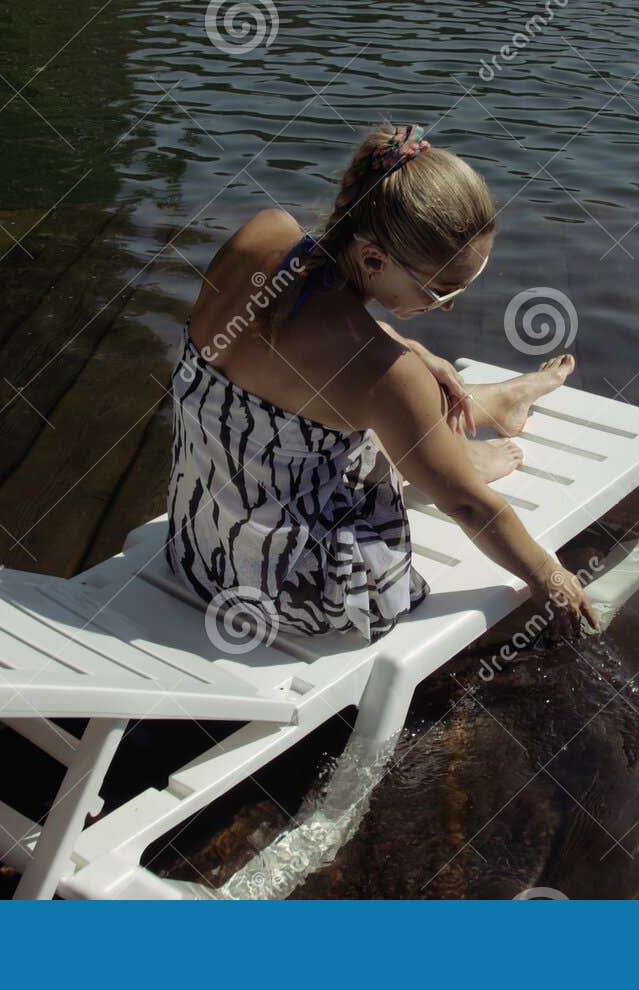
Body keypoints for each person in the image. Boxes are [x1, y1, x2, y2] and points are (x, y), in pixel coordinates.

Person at [165, 122, 599, 644]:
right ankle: (459, 456)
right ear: (374, 259)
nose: (452, 304)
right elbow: (467, 507)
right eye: (442, 291)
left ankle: (493, 411)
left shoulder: (263, 232)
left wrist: (412, 352)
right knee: (407, 425)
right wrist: (549, 578)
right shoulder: (383, 372)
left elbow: (300, 328)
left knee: (382, 397)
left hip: (198, 540)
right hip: (281, 588)